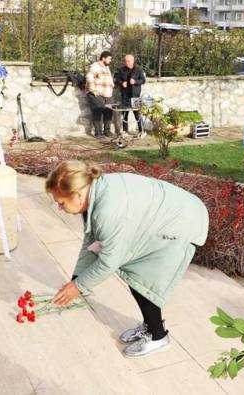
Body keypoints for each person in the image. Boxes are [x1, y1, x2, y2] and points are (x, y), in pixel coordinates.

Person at [47, 160, 209, 358]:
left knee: (141, 275)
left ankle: (158, 337)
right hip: (172, 213)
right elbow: (92, 241)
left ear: (78, 194)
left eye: (61, 203)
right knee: (137, 272)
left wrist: (78, 286)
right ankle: (150, 326)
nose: (60, 209)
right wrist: (76, 278)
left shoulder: (107, 211)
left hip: (181, 222)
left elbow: (109, 261)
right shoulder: (96, 191)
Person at [114, 54, 146, 135]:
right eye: (125, 61)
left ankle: (141, 131)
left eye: (128, 61)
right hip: (125, 96)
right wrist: (121, 83)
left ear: (133, 61)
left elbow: (143, 80)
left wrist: (135, 82)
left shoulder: (138, 69)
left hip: (135, 96)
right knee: (125, 115)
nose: (127, 62)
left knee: (137, 115)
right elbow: (116, 80)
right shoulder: (121, 70)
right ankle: (125, 131)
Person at [86, 51, 115, 138]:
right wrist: (92, 90)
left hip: (107, 94)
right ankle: (98, 133)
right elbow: (89, 76)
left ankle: (107, 131)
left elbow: (107, 78)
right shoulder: (95, 66)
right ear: (103, 58)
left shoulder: (107, 67)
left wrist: (112, 84)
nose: (110, 60)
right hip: (97, 94)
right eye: (109, 59)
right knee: (97, 112)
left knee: (109, 112)